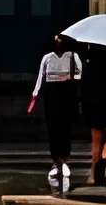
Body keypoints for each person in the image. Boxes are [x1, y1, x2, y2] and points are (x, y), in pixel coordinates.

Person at [30, 37, 84, 189]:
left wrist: (71, 79)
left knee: (65, 128)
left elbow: (80, 73)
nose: (58, 41)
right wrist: (35, 93)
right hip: (51, 93)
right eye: (56, 39)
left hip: (67, 93)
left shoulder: (72, 56)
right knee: (53, 128)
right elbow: (40, 76)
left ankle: (65, 160)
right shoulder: (47, 57)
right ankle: (56, 162)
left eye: (60, 39)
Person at [80, 43, 106, 185]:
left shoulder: (88, 66)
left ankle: (93, 173)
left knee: (96, 140)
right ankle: (103, 162)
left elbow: (83, 88)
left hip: (93, 107)